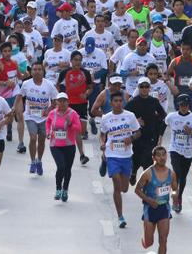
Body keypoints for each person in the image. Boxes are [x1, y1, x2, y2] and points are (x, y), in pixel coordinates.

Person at [99, 90, 141, 228]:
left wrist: (132, 138)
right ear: (111, 103)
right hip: (112, 154)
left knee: (124, 188)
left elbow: (138, 132)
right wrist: (102, 144)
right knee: (116, 183)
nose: (118, 103)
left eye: (120, 101)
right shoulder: (106, 118)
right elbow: (102, 134)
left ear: (123, 102)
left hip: (126, 155)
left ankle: (103, 161)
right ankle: (120, 216)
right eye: (115, 101)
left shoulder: (130, 116)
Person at [17, 61, 58, 175]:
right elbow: (19, 97)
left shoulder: (49, 84)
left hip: (44, 117)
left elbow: (56, 101)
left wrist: (48, 110)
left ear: (43, 71)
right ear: (31, 72)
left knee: (42, 140)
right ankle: (32, 161)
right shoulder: (26, 84)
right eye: (34, 69)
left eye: (39, 69)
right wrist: (16, 109)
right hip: (30, 116)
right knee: (33, 137)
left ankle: (39, 160)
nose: (37, 72)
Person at [134, 146, 177, 254]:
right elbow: (137, 190)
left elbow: (175, 189)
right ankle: (145, 241)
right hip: (150, 209)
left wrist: (174, 195)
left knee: (163, 240)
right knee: (149, 243)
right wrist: (148, 200)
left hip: (164, 209)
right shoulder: (147, 173)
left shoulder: (171, 174)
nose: (162, 157)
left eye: (164, 154)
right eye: (159, 155)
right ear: (153, 157)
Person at [164, 94, 192, 213]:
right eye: (181, 105)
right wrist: (159, 137)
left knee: (183, 177)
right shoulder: (172, 116)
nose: (184, 108)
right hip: (175, 149)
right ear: (178, 106)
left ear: (189, 106)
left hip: (187, 151)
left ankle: (179, 197)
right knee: (176, 173)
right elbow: (163, 124)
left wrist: (191, 133)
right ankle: (175, 197)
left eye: (186, 105)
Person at [57, 51, 92, 165]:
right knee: (68, 129)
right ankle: (81, 155)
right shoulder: (65, 72)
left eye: (79, 60)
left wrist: (86, 94)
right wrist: (62, 98)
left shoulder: (86, 73)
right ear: (71, 61)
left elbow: (90, 87)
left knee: (80, 130)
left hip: (81, 104)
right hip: (69, 105)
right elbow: (58, 85)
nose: (77, 62)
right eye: (75, 60)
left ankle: (78, 153)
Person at [45, 92, 82, 202]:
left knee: (67, 169)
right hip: (55, 145)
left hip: (69, 145)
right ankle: (58, 189)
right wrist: (48, 132)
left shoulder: (73, 113)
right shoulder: (52, 113)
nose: (61, 103)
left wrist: (71, 124)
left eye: (64, 101)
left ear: (68, 102)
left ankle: (65, 189)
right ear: (56, 102)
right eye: (59, 101)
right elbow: (47, 122)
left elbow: (79, 128)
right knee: (61, 166)